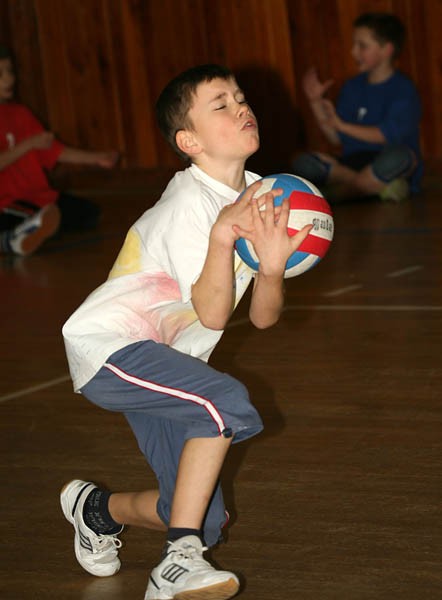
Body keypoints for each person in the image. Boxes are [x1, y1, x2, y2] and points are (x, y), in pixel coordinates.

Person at [61, 63, 312, 600]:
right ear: (189, 141)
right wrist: (223, 238)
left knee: (205, 518)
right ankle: (178, 562)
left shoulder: (260, 194)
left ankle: (96, 511)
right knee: (223, 403)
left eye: (240, 98)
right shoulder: (188, 204)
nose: (241, 108)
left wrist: (271, 270)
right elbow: (215, 315)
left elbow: (263, 317)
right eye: (221, 104)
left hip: (169, 362)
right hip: (112, 347)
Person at [0, 44, 118, 256]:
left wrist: (97, 158)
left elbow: (53, 150)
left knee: (88, 214)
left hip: (38, 196)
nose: (8, 79)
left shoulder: (20, 113)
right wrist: (29, 144)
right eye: (1, 74)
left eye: (10, 71)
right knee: (26, 216)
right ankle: (9, 240)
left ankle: (27, 231)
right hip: (6, 202)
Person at [291, 12, 422, 204]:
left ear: (386, 50)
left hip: (384, 161)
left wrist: (342, 125)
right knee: (303, 163)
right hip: (352, 163)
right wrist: (315, 102)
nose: (354, 52)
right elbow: (335, 137)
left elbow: (383, 135)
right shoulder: (352, 87)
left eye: (362, 46)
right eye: (354, 45)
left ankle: (341, 192)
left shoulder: (403, 89)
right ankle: (373, 187)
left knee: (402, 158)